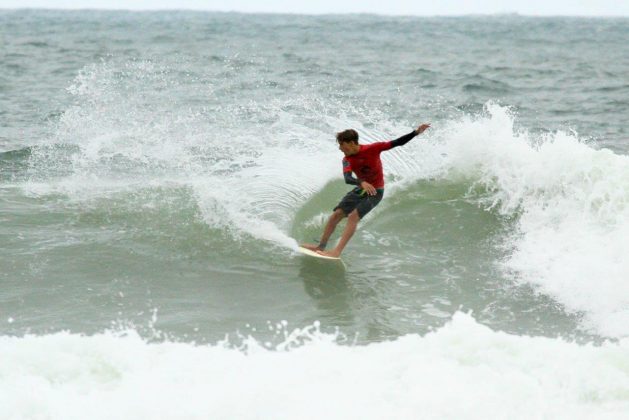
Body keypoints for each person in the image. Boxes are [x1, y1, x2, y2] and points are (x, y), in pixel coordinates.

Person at [301, 123, 430, 258]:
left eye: (342, 144)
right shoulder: (347, 159)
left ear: (351, 143)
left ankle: (336, 252)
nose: (340, 148)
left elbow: (397, 142)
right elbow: (347, 178)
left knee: (353, 217)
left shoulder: (373, 148)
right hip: (360, 189)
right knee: (336, 215)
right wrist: (361, 182)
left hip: (376, 191)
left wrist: (415, 133)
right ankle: (320, 246)